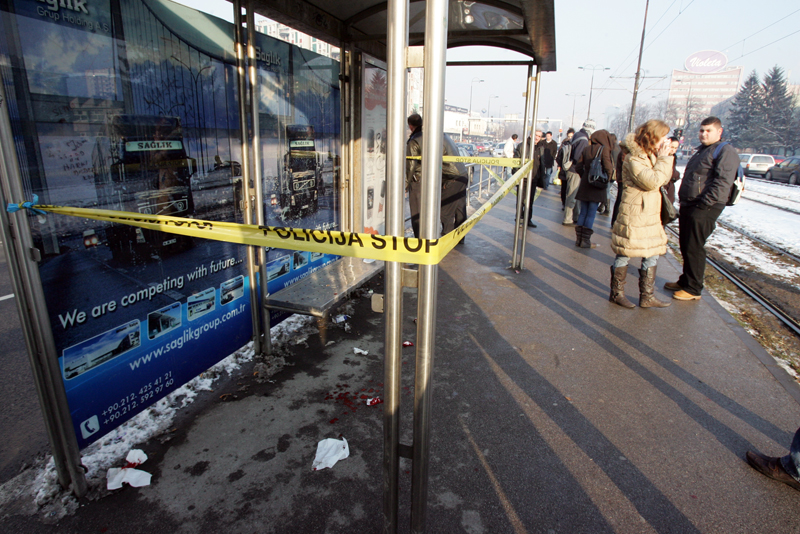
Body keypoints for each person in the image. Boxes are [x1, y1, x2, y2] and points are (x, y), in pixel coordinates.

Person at [664, 117, 739, 301]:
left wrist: (705, 203)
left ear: (719, 132)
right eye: (701, 130)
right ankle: (686, 280)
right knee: (686, 243)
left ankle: (693, 288)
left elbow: (722, 182)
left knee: (694, 246)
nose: (703, 134)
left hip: (705, 206)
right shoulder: (703, 150)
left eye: (708, 131)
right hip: (691, 203)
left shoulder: (725, 151)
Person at [609, 119, 674, 309]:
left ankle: (647, 296)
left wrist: (664, 157)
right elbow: (652, 181)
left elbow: (665, 178)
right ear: (653, 136)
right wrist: (665, 159)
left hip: (650, 213)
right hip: (634, 212)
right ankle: (616, 293)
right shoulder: (633, 157)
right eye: (663, 136)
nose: (666, 141)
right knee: (625, 251)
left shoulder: (651, 155)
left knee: (652, 252)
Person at [405, 113, 469, 239]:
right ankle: (460, 238)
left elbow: (410, 165)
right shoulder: (442, 135)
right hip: (461, 175)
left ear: (411, 126)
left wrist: (405, 184)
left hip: (450, 178)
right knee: (459, 208)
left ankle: (445, 242)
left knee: (444, 212)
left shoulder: (416, 140)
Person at [573, 129, 614, 248]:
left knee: (583, 212)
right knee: (591, 213)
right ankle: (586, 241)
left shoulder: (587, 149)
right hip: (597, 186)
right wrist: (605, 179)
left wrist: (585, 176)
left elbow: (578, 167)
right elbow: (608, 168)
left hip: (585, 184)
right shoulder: (604, 150)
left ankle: (579, 240)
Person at [562, 119, 595, 225]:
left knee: (573, 194)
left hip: (572, 170)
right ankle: (568, 218)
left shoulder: (577, 135)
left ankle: (575, 216)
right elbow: (578, 157)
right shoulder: (584, 140)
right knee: (572, 195)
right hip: (575, 170)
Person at [557, 128, 575, 210]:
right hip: (564, 171)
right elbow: (559, 157)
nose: (570, 138)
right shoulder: (564, 145)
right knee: (564, 188)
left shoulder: (574, 145)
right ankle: (565, 204)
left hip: (570, 170)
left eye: (571, 136)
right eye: (569, 136)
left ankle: (567, 204)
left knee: (569, 189)